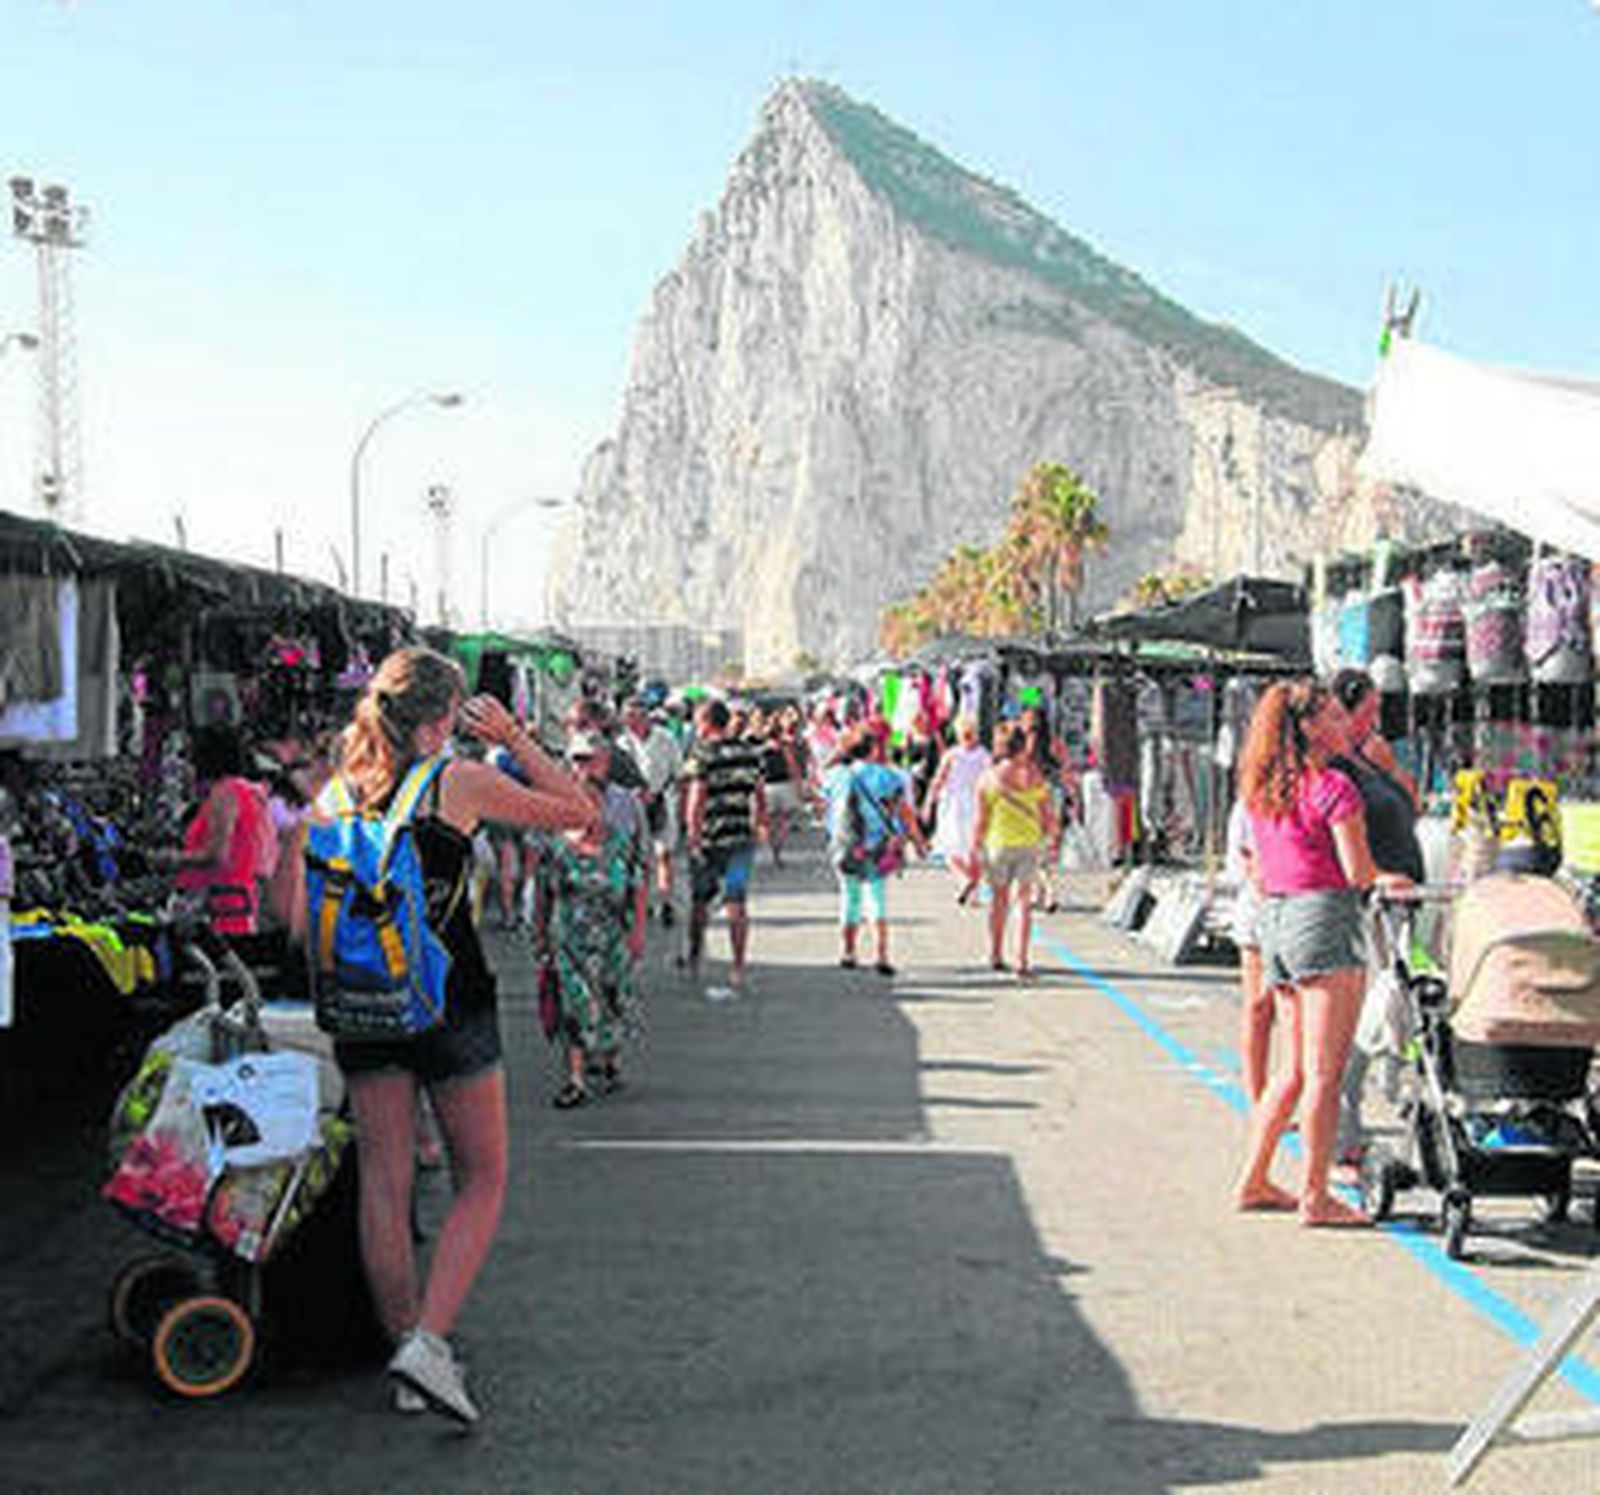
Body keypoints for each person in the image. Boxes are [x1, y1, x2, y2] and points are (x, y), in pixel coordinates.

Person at [274, 646, 595, 1424]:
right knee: (479, 1178)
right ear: (446, 715)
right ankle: (427, 1341)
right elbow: (578, 807)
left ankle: (404, 1348)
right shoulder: (459, 782)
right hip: (452, 1003)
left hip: (360, 1007)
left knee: (386, 1178)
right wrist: (516, 738)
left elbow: (286, 910)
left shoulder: (333, 795)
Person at [1232, 679, 1398, 1229]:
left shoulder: (1262, 789)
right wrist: (1389, 878)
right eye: (1330, 717)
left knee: (1293, 1068)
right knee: (1326, 1071)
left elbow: (1263, 861)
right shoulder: (1334, 789)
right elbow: (1358, 872)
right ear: (1307, 728)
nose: (1343, 726)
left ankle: (1255, 1177)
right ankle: (1315, 1194)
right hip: (1325, 921)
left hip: (1276, 920)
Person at [1328, 668, 1424, 1159]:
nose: (1377, 717)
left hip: (1401, 902)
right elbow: (1340, 839)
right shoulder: (1334, 769)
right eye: (1371, 708)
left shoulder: (1366, 759)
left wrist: (1390, 770)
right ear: (1348, 708)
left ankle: (1383, 1100)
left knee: (1392, 1007)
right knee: (1365, 1015)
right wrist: (1374, 877)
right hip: (1371, 904)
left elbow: (1412, 806)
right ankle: (1342, 1128)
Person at [536, 731, 649, 1108]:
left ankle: (612, 1062)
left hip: (613, 935)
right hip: (568, 938)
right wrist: (540, 938)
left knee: (612, 1000)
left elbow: (637, 884)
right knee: (574, 1005)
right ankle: (575, 1079)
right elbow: (543, 893)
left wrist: (637, 932)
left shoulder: (619, 840)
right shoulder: (555, 845)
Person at [825, 724, 928, 975]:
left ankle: (848, 952)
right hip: (878, 846)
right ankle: (881, 954)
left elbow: (826, 804)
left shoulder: (837, 775)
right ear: (872, 749)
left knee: (849, 899)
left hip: (846, 845)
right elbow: (903, 812)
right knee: (876, 898)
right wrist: (918, 841)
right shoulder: (887, 777)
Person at [682, 698, 768, 997]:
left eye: (697, 721)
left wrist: (692, 836)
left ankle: (694, 957)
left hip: (710, 838)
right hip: (740, 837)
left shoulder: (703, 753)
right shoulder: (750, 752)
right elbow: (759, 794)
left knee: (700, 901)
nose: (695, 726)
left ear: (707, 722)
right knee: (736, 901)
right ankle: (738, 966)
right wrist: (761, 824)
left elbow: (696, 797)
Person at [971, 724, 1061, 979]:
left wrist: (975, 847)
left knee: (998, 901)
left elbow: (982, 819)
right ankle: (1021, 958)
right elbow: (1047, 815)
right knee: (1024, 901)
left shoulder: (988, 778)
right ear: (1023, 747)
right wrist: (1052, 837)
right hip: (1029, 845)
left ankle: (997, 953)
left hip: (997, 844)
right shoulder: (1035, 776)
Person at [172, 724, 274, 935]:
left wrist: (171, 859)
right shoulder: (247, 791)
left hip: (220, 907)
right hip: (236, 903)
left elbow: (217, 854)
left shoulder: (225, 794)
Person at [617, 697, 683, 926]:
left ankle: (666, 901)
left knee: (663, 854)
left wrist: (662, 795)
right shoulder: (622, 742)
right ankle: (640, 903)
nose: (629, 722)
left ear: (645, 717)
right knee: (637, 858)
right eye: (626, 718)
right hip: (632, 804)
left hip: (662, 801)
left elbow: (678, 772)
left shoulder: (666, 739)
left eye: (634, 717)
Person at [1225, 796, 1270, 1103]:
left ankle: (1283, 1097)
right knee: (1258, 1008)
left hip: (1296, 911)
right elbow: (1239, 865)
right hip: (1258, 912)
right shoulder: (1250, 804)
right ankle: (1257, 1097)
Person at [923, 715, 991, 902]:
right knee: (973, 851)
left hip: (954, 806)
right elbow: (990, 782)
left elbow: (938, 781)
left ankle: (963, 880)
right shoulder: (985, 755)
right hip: (976, 805)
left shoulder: (951, 755)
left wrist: (928, 803)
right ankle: (974, 893)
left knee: (950, 851)